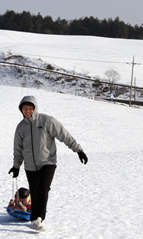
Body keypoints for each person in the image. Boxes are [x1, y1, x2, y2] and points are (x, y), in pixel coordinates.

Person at [9, 95, 87, 232]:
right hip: (30, 165)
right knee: (34, 190)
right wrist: (16, 166)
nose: (27, 111)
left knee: (43, 188)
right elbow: (18, 149)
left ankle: (39, 218)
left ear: (34, 108)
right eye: (25, 108)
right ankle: (34, 219)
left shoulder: (46, 121)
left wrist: (78, 150)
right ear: (21, 109)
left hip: (48, 162)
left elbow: (64, 135)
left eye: (30, 108)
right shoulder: (20, 127)